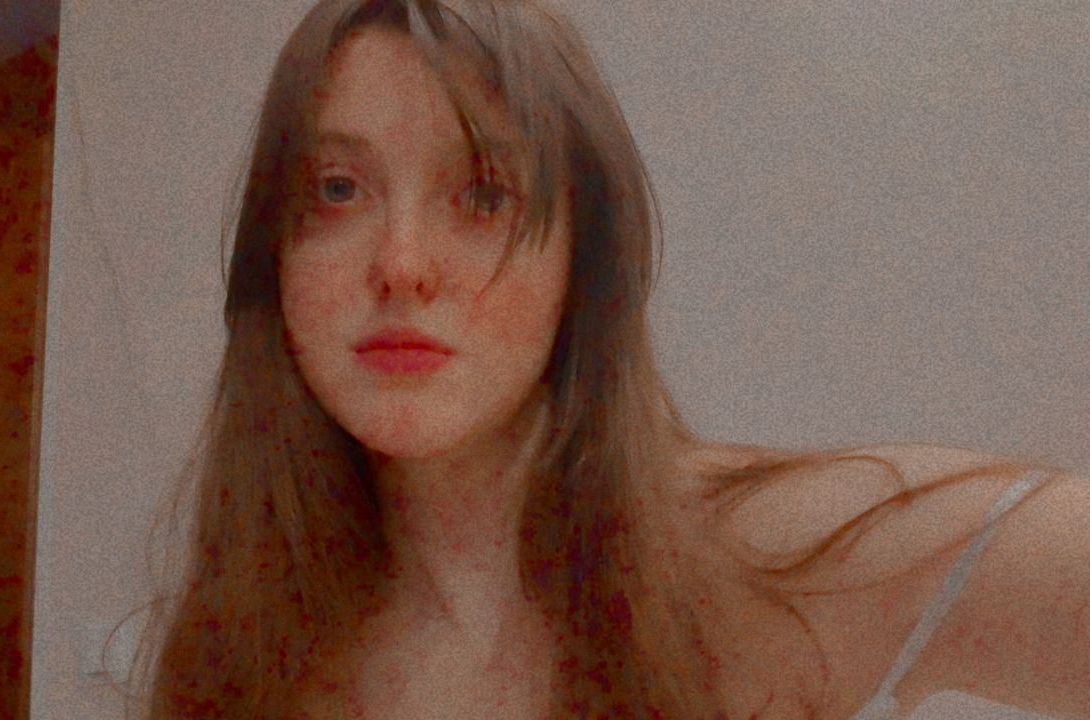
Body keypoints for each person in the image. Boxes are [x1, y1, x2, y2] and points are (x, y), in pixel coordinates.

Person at [120, 1, 1090, 718]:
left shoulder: (792, 557)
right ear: (273, 257)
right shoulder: (232, 662)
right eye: (337, 188)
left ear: (580, 260)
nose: (402, 264)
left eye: (484, 192)